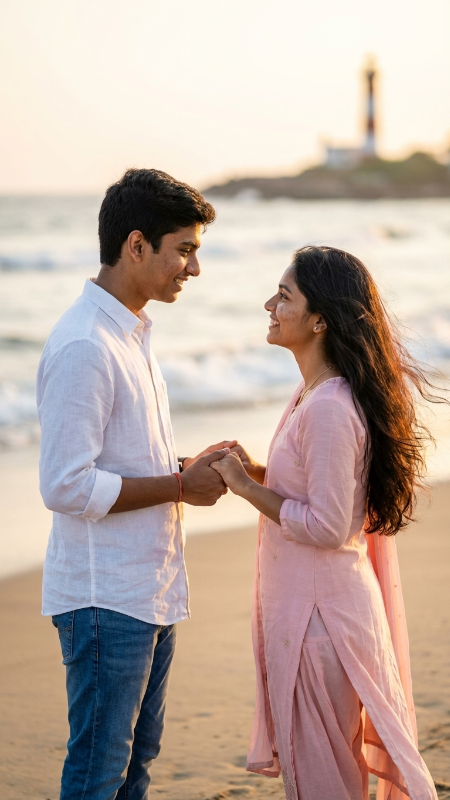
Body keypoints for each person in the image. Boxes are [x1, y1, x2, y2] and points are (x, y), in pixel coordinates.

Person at [212, 245, 438, 800]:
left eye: (284, 296)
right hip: (313, 614)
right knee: (321, 777)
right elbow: (321, 488)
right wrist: (260, 471)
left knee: (323, 784)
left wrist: (245, 488)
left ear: (319, 320)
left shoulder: (330, 405)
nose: (270, 304)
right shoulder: (311, 393)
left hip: (322, 626)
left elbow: (329, 525)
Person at [37, 168, 233, 800]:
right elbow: (67, 487)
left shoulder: (132, 334)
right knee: (100, 774)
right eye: (185, 250)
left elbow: (123, 458)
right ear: (137, 245)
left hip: (147, 589)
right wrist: (179, 488)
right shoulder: (86, 345)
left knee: (135, 765)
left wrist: (185, 470)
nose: (193, 269)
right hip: (103, 600)